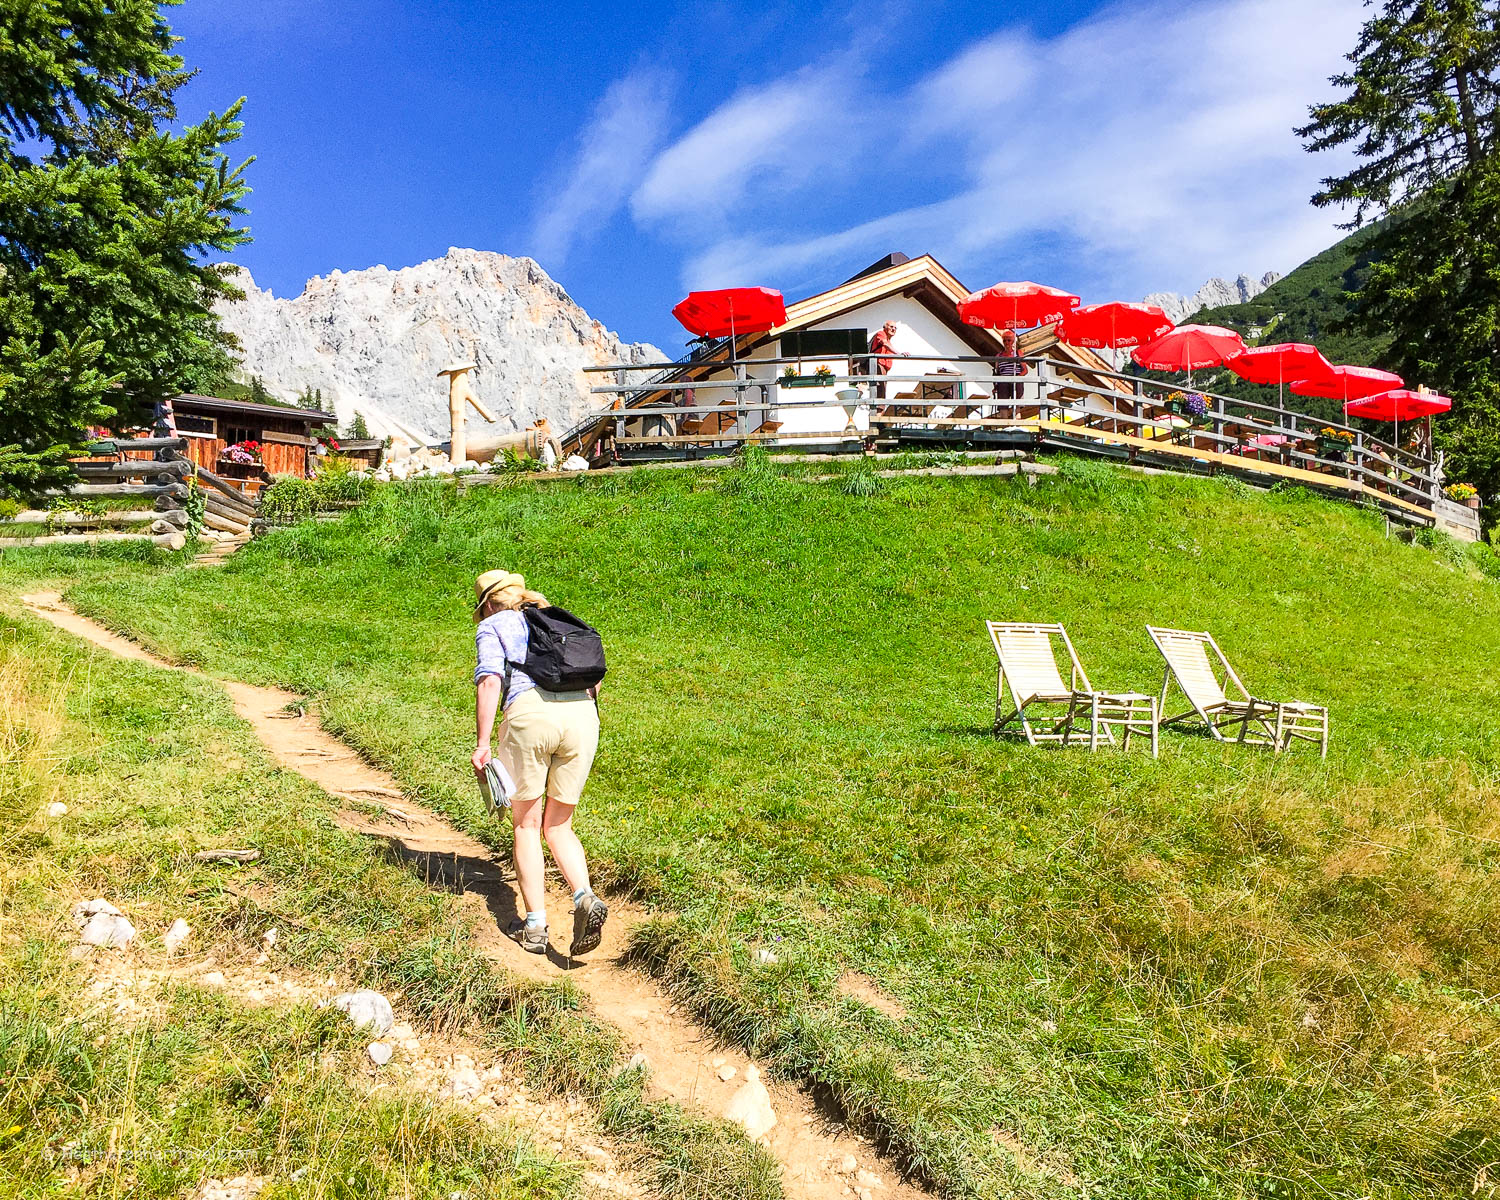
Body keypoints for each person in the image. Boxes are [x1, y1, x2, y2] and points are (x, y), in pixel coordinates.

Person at [472, 570, 607, 957]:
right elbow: (594, 679)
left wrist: (482, 743)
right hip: (582, 718)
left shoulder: (494, 625)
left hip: (530, 716)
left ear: (488, 605)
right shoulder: (560, 619)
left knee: (527, 824)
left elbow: (490, 681)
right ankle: (584, 896)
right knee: (559, 824)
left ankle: (534, 927)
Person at [867, 320, 907, 400]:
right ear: (885, 327)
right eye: (891, 327)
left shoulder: (889, 341)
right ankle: (879, 407)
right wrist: (899, 353)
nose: (893, 329)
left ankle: (880, 406)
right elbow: (885, 343)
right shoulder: (881, 334)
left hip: (883, 369)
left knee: (882, 390)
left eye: (895, 328)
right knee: (881, 390)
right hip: (878, 366)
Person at [993, 329, 1029, 403]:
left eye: (1009, 340)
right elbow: (997, 373)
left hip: (1016, 381)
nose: (1006, 342)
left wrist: (1017, 378)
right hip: (1003, 382)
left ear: (1013, 341)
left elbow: (1025, 370)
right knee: (1003, 405)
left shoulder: (1018, 353)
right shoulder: (999, 356)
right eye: (1004, 341)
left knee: (1017, 405)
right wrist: (996, 387)